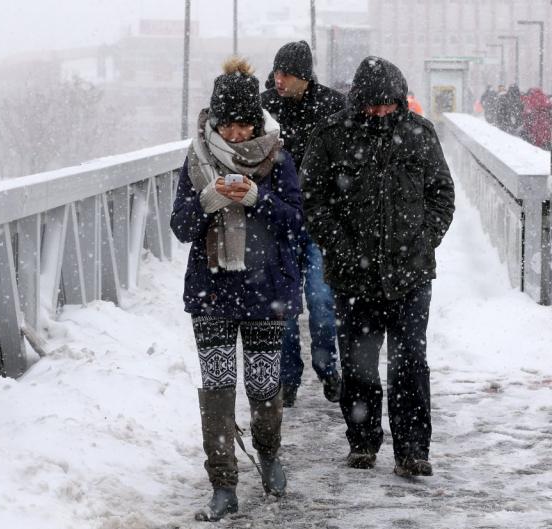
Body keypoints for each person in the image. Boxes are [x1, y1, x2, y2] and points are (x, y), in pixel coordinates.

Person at [300, 56, 455, 477]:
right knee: (359, 363)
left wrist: (425, 240)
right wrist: (341, 249)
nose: (382, 111)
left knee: (409, 364)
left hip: (411, 273)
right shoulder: (332, 135)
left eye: (389, 103)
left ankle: (412, 451)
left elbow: (442, 192)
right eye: (374, 104)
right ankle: (363, 443)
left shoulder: (420, 134)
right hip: (354, 276)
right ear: (360, 101)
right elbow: (313, 198)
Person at [170, 57, 303, 521]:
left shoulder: (278, 156)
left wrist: (256, 198)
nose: (236, 135)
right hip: (212, 293)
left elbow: (296, 223)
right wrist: (208, 201)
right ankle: (223, 483)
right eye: (227, 126)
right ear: (215, 122)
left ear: (256, 121)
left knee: (265, 387)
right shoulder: (195, 159)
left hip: (266, 290)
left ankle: (268, 455)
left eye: (244, 125)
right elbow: (180, 227)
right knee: (219, 388)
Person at [261, 40, 346, 407]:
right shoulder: (264, 107)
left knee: (321, 300)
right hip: (279, 221)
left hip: (319, 221)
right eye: (276, 72)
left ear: (304, 77)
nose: (279, 80)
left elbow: (346, 163)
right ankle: (288, 377)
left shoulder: (333, 107)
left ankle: (327, 368)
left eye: (287, 74)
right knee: (284, 307)